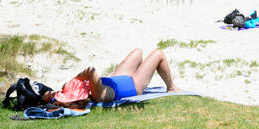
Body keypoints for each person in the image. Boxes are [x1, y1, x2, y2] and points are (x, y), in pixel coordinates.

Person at [42, 48, 182, 108]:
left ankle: (143, 72)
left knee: (137, 52)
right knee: (159, 54)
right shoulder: (99, 95)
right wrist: (73, 81)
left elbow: (49, 96)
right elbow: (90, 71)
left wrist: (52, 95)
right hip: (134, 86)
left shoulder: (83, 93)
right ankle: (171, 87)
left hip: (118, 79)